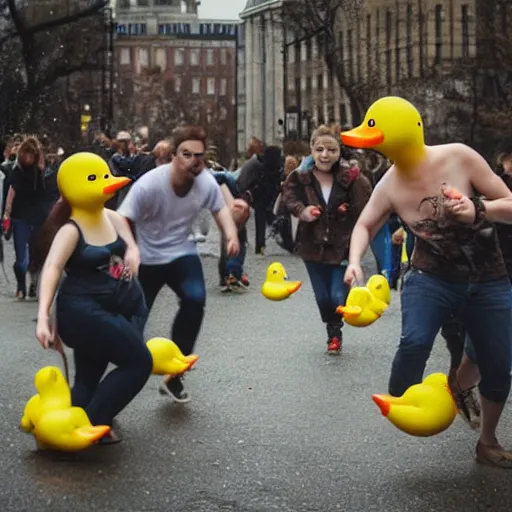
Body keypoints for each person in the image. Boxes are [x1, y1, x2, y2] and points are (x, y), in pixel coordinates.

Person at [342, 96, 512, 467]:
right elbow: (365, 224)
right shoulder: (388, 184)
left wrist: (478, 208)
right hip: (431, 277)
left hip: (489, 279)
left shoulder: (460, 157)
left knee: (499, 366)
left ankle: (487, 441)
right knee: (416, 340)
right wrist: (355, 262)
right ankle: (403, 399)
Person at [35, 152, 152, 445]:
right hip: (82, 312)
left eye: (104, 176)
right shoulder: (70, 230)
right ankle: (92, 423)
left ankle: (58, 429)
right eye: (93, 178)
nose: (105, 183)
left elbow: (131, 246)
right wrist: (43, 316)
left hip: (112, 305)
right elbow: (52, 269)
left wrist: (132, 258)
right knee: (139, 362)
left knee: (87, 379)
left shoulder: (112, 217)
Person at [117, 125, 240, 403]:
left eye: (200, 155)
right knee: (134, 324)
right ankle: (116, 388)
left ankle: (175, 375)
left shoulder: (205, 182)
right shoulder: (150, 184)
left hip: (181, 254)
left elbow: (219, 209)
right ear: (173, 155)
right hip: (147, 260)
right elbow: (122, 217)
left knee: (195, 299)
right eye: (187, 154)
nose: (195, 161)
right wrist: (131, 248)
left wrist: (231, 235)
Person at [282, 125, 372, 354]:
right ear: (311, 150)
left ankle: (336, 330)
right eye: (319, 149)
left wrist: (350, 216)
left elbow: (367, 209)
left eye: (331, 150)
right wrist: (303, 211)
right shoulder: (301, 176)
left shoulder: (352, 177)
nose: (325, 155)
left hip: (341, 246)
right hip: (312, 246)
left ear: (339, 151)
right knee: (323, 298)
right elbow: (288, 196)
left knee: (335, 295)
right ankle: (332, 330)